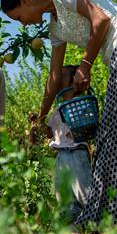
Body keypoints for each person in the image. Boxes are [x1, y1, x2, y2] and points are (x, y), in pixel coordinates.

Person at [0, 0, 117, 228]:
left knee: (112, 137)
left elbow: (101, 19)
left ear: (25, 1)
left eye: (18, 17)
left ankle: (102, 218)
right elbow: (54, 76)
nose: (23, 24)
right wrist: (41, 118)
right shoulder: (55, 28)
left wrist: (85, 65)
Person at [35, 64, 93, 222]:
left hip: (76, 153)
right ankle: (72, 225)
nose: (58, 81)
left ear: (74, 83)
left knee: (84, 191)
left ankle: (96, 219)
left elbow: (87, 125)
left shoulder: (80, 104)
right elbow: (50, 133)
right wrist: (38, 123)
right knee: (64, 194)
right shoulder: (58, 109)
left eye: (62, 77)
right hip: (62, 156)